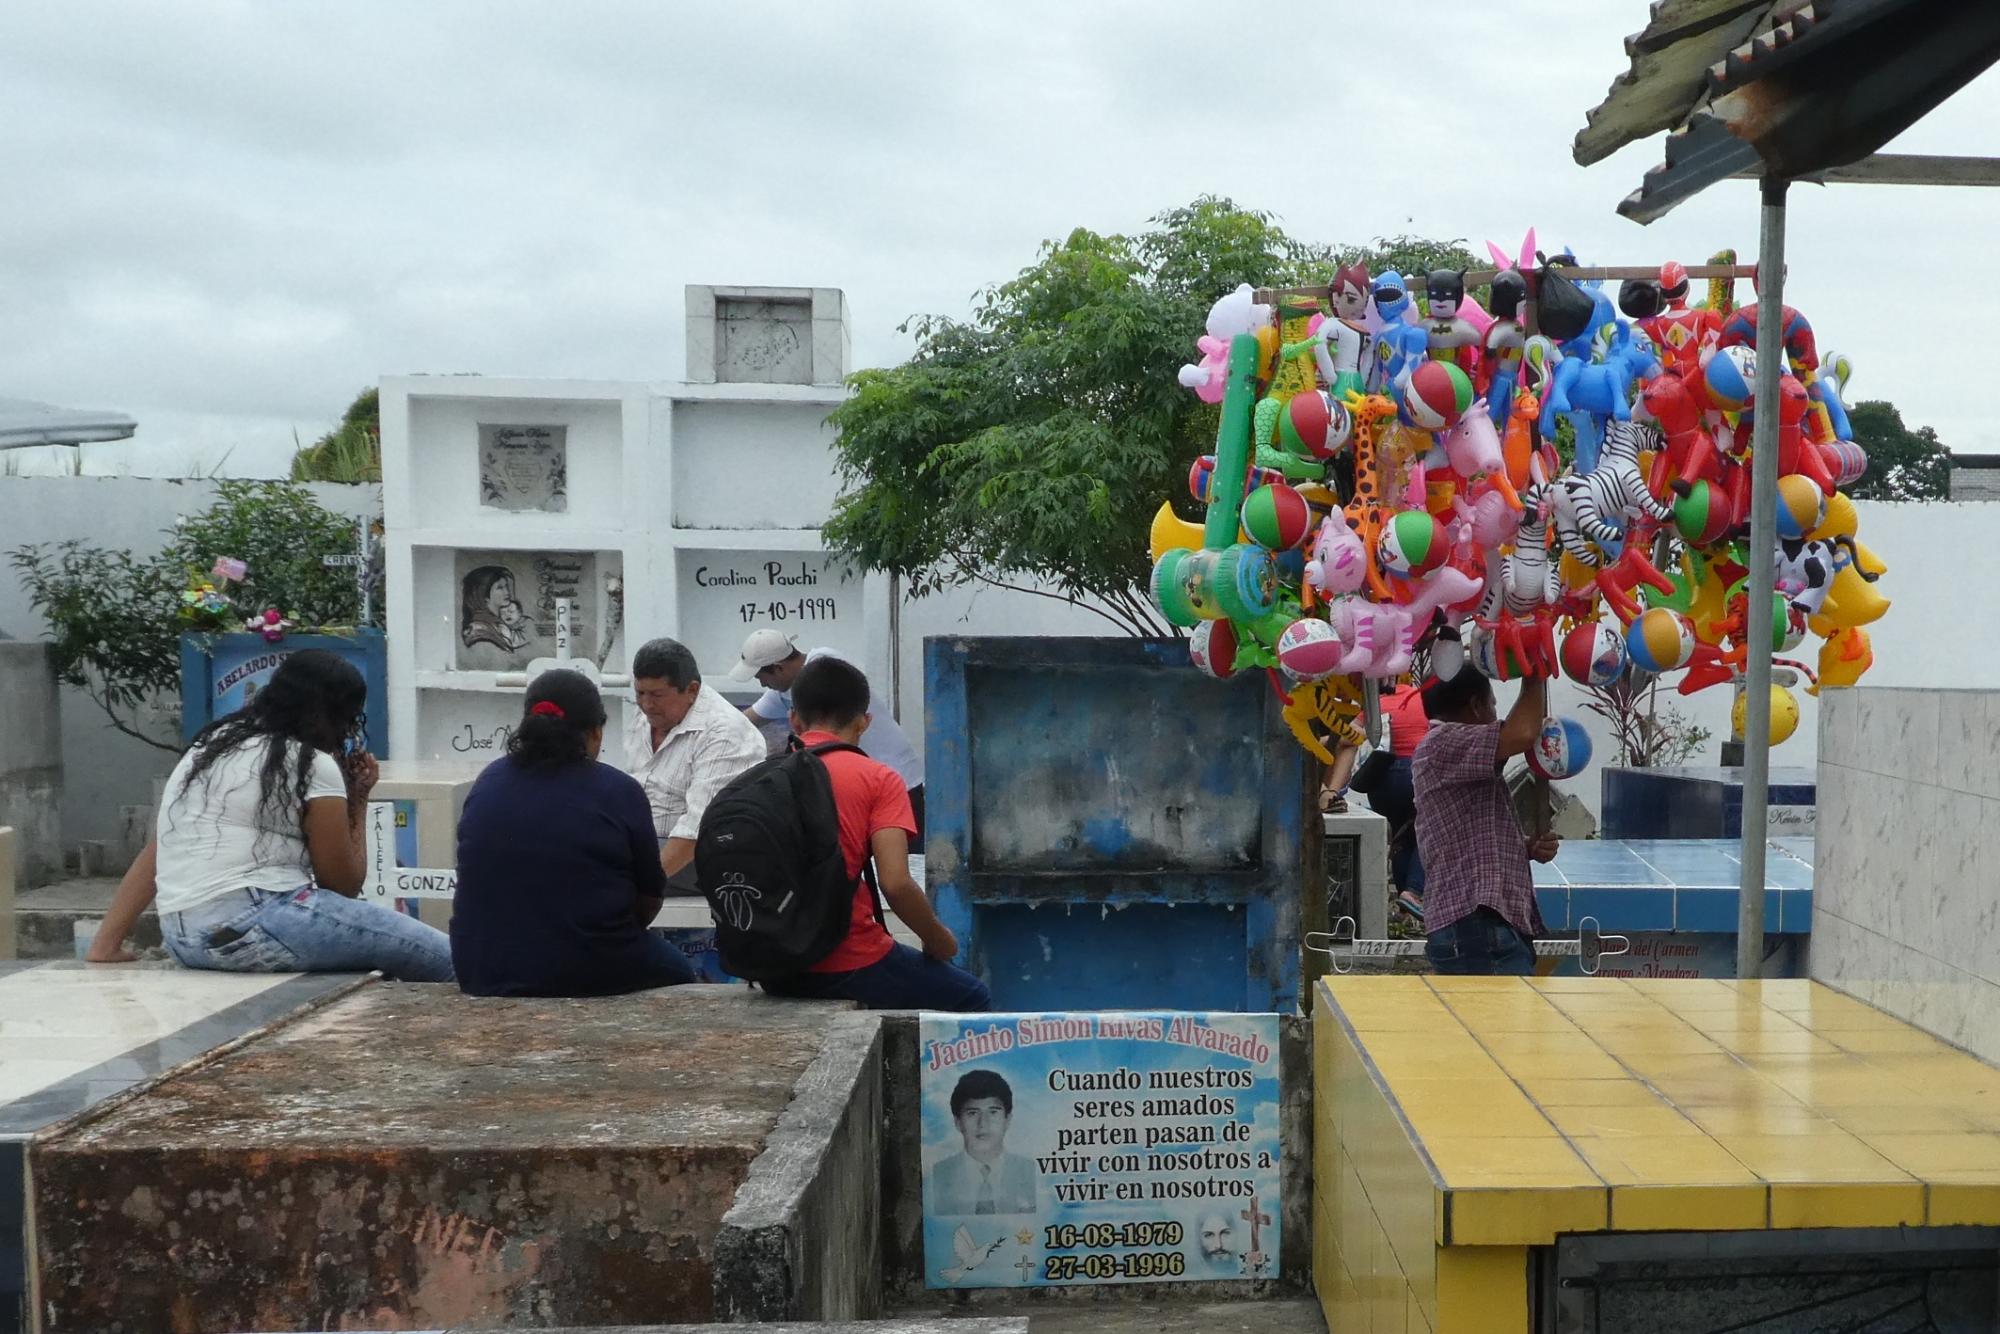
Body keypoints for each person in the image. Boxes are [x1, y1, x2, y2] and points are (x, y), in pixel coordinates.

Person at [87, 650, 454, 980]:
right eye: (349, 721)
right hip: (253, 921)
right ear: (333, 715)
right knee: (446, 957)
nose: (348, 734)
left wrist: (106, 943)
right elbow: (341, 886)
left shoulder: (209, 748)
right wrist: (358, 799)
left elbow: (158, 852)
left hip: (185, 937)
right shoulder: (311, 763)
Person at [755, 657, 988, 1011]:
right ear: (864, 722)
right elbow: (895, 884)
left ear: (794, 720)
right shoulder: (879, 779)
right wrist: (939, 940)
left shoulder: (763, 778)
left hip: (774, 965)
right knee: (972, 996)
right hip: (849, 962)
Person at [452, 668, 697, 997]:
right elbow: (649, 899)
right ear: (595, 732)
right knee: (681, 971)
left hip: (481, 969)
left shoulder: (489, 781)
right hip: (588, 967)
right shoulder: (619, 790)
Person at [1412, 667, 1561, 976]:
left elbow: (1471, 837)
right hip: (1475, 925)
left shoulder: (1453, 752)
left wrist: (1525, 848)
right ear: (1476, 706)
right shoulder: (1443, 741)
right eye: (1493, 705)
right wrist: (1534, 673)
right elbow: (1522, 733)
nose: (1496, 717)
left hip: (1479, 927)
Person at [732, 630, 927, 838]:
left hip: (896, 779)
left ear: (778, 668)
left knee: (904, 857)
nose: (762, 684)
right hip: (855, 786)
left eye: (761, 677)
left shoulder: (826, 666)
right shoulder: (786, 690)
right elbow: (743, 721)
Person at [623, 637, 765, 894]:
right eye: (639, 693)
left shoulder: (725, 732)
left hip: (702, 857)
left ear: (692, 690)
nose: (646, 705)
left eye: (656, 695)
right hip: (645, 843)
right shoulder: (647, 712)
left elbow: (696, 832)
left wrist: (639, 886)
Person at [929, 1069, 1039, 1216]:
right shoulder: (937, 1175)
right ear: (958, 1122)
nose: (983, 1124)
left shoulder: (1030, 1172)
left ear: (1007, 1120)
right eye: (972, 1113)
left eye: (993, 1112)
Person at [1368, 681, 1430, 920]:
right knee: (1426, 831)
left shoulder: (1375, 704)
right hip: (1413, 773)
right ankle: (1414, 892)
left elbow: (1348, 739)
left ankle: (1404, 911)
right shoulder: (1419, 698)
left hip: (1379, 780)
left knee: (1401, 839)